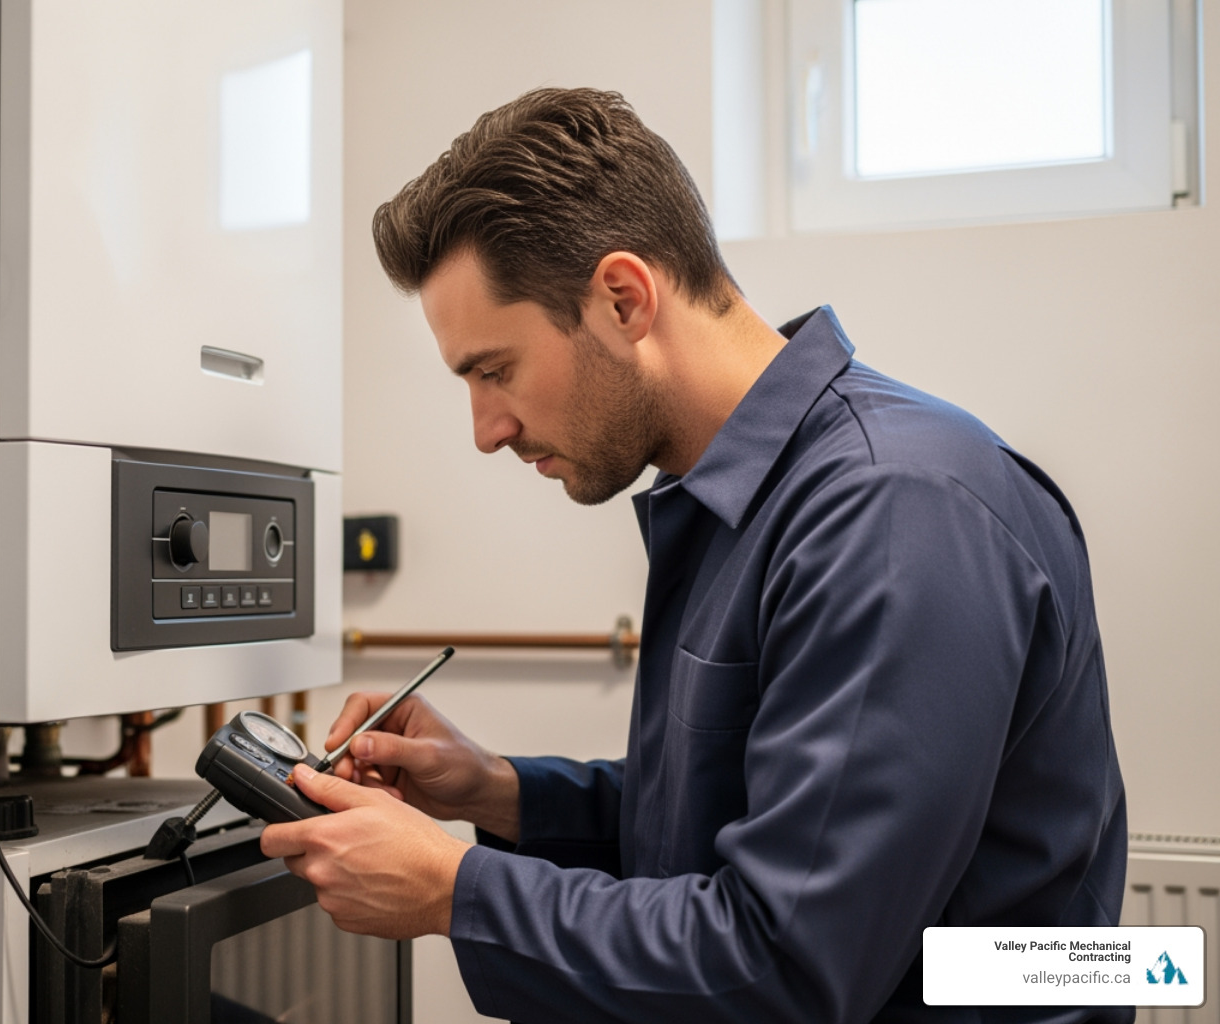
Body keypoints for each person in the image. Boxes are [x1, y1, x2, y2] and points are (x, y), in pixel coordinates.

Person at [260, 88, 1128, 1023]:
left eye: (493, 369)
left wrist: (457, 890)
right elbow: (744, 817)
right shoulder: (744, 501)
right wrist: (502, 793)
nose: (487, 429)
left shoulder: (892, 513)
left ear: (623, 299)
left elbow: (786, 963)